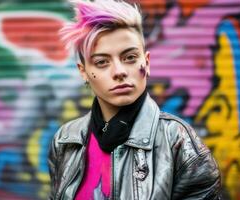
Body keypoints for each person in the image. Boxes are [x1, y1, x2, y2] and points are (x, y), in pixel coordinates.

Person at [48, 0, 221, 199]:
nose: (119, 72)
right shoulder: (66, 140)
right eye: (102, 62)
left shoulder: (180, 144)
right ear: (84, 72)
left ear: (146, 63)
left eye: (129, 57)